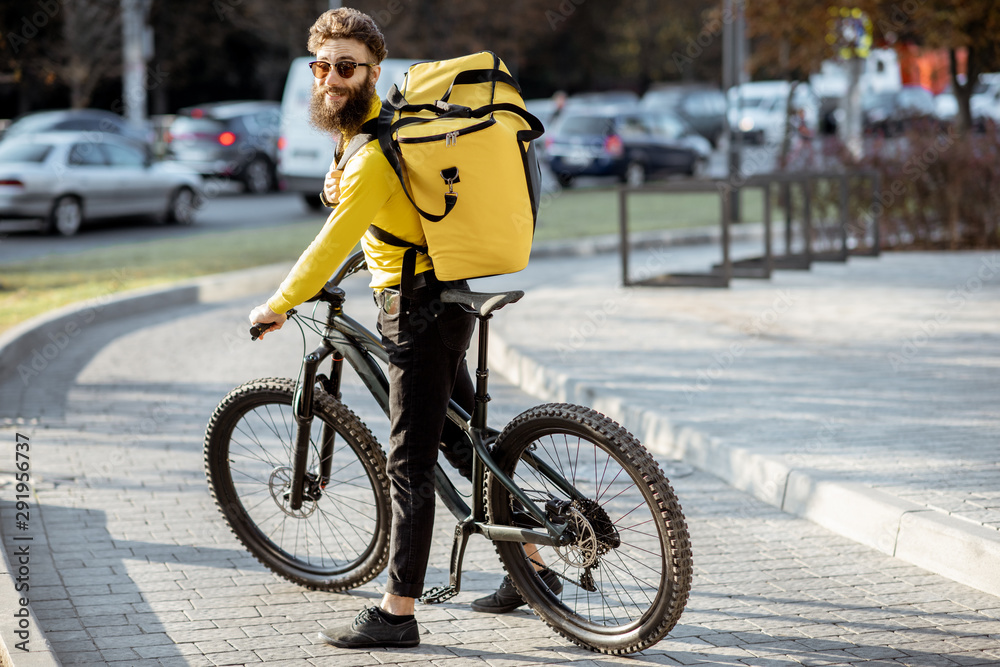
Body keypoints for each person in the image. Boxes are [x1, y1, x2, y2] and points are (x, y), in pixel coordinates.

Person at [248, 8, 557, 650]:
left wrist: (278, 303)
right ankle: (532, 565)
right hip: (439, 295)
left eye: (347, 66)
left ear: (374, 70)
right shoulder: (374, 132)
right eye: (322, 65)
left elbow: (329, 244)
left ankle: (396, 613)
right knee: (458, 443)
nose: (331, 77)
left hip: (416, 311)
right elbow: (383, 216)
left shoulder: (373, 153)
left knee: (409, 463)